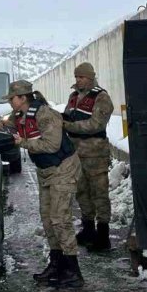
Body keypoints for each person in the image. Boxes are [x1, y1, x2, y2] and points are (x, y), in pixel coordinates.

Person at [0, 80, 84, 288]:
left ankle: (72, 270)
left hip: (63, 169)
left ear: (23, 97)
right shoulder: (19, 117)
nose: (10, 102)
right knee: (48, 219)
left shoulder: (46, 114)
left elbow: (52, 145)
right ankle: (57, 263)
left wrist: (21, 142)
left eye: (12, 99)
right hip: (46, 171)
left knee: (60, 219)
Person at [62, 62, 115, 252]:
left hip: (95, 154)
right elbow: (68, 117)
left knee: (99, 193)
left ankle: (103, 235)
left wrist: (68, 126)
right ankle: (88, 229)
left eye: (81, 77)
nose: (78, 80)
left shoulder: (102, 97)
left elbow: (96, 125)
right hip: (76, 153)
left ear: (91, 77)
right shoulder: (74, 96)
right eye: (76, 77)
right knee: (82, 192)